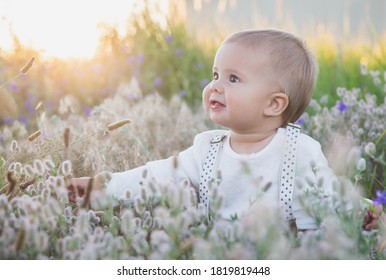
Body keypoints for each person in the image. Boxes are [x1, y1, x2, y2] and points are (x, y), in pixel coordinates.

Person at [67, 29, 379, 231]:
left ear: (274, 104)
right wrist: (102, 186)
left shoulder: (299, 150)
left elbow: (329, 194)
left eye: (233, 79)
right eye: (215, 74)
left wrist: (362, 214)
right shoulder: (207, 149)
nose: (214, 86)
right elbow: (157, 175)